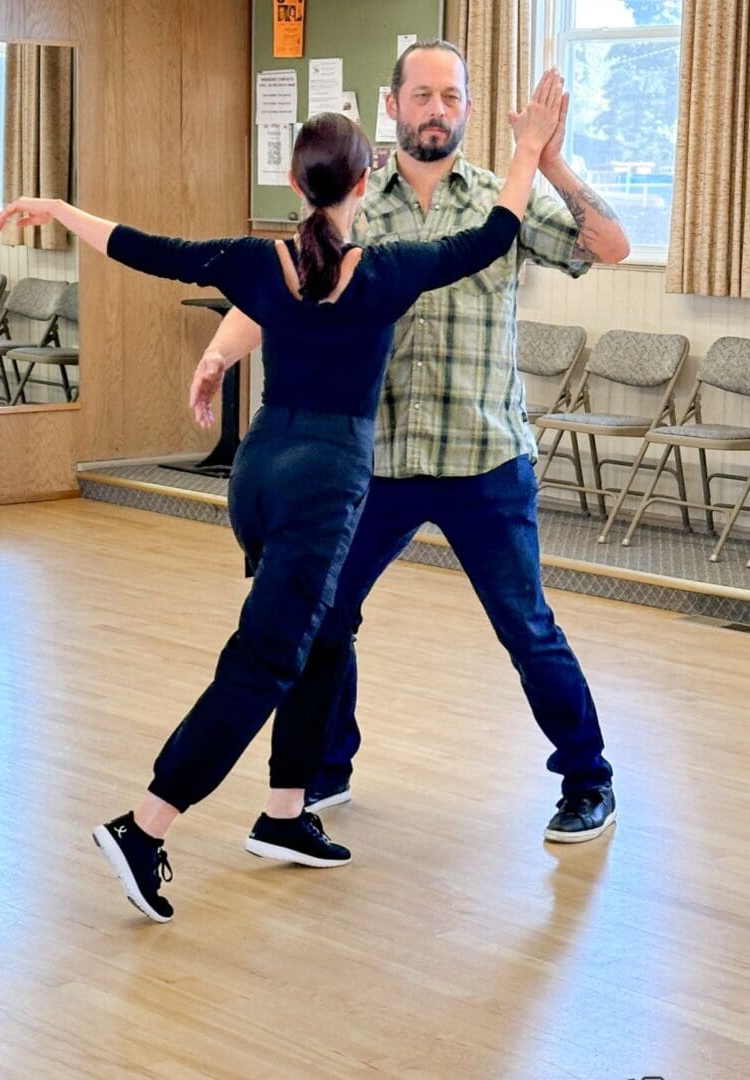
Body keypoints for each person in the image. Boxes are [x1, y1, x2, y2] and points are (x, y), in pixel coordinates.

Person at [0, 78, 562, 922]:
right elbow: (493, 235)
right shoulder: (389, 272)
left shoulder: (258, 263)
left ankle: (287, 814)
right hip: (324, 485)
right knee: (264, 659)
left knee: (320, 634)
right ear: (364, 181)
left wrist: (60, 209)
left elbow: (145, 248)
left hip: (259, 473)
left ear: (295, 183)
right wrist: (526, 150)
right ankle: (145, 827)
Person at [193, 43, 630, 845]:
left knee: (528, 630)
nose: (438, 109)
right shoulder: (354, 201)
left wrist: (549, 161)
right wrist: (220, 354)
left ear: (467, 108)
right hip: (375, 463)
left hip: (484, 459)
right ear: (391, 105)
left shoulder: (504, 198)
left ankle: (587, 780)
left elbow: (610, 247)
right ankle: (323, 772)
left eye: (451, 96)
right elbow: (276, 289)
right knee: (325, 618)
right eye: (423, 94)